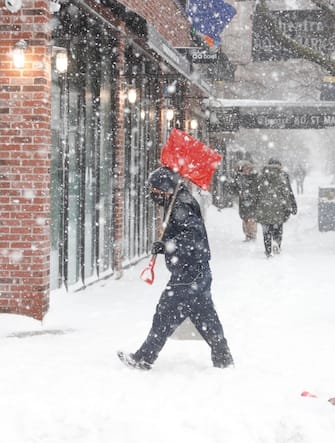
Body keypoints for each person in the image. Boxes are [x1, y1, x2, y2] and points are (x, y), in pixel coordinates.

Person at [118, 166, 234, 370]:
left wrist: (168, 245)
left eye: (155, 191)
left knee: (164, 314)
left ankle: (144, 358)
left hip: (188, 275)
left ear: (165, 188)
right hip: (197, 272)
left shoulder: (180, 204)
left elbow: (193, 236)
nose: (153, 195)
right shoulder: (178, 201)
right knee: (205, 317)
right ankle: (223, 359)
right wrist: (167, 246)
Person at [255, 158, 297, 258]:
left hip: (264, 207)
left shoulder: (261, 176)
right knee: (278, 227)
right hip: (278, 207)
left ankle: (268, 250)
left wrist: (256, 206)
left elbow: (256, 193)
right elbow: (287, 192)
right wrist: (292, 205)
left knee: (266, 230)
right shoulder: (282, 175)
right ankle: (277, 243)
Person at [230, 160, 258, 241]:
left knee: (251, 219)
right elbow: (234, 190)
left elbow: (257, 189)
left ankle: (252, 234)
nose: (246, 170)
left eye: (248, 168)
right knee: (245, 219)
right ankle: (247, 234)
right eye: (245, 168)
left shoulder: (254, 177)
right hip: (243, 201)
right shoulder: (239, 178)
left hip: (252, 202)